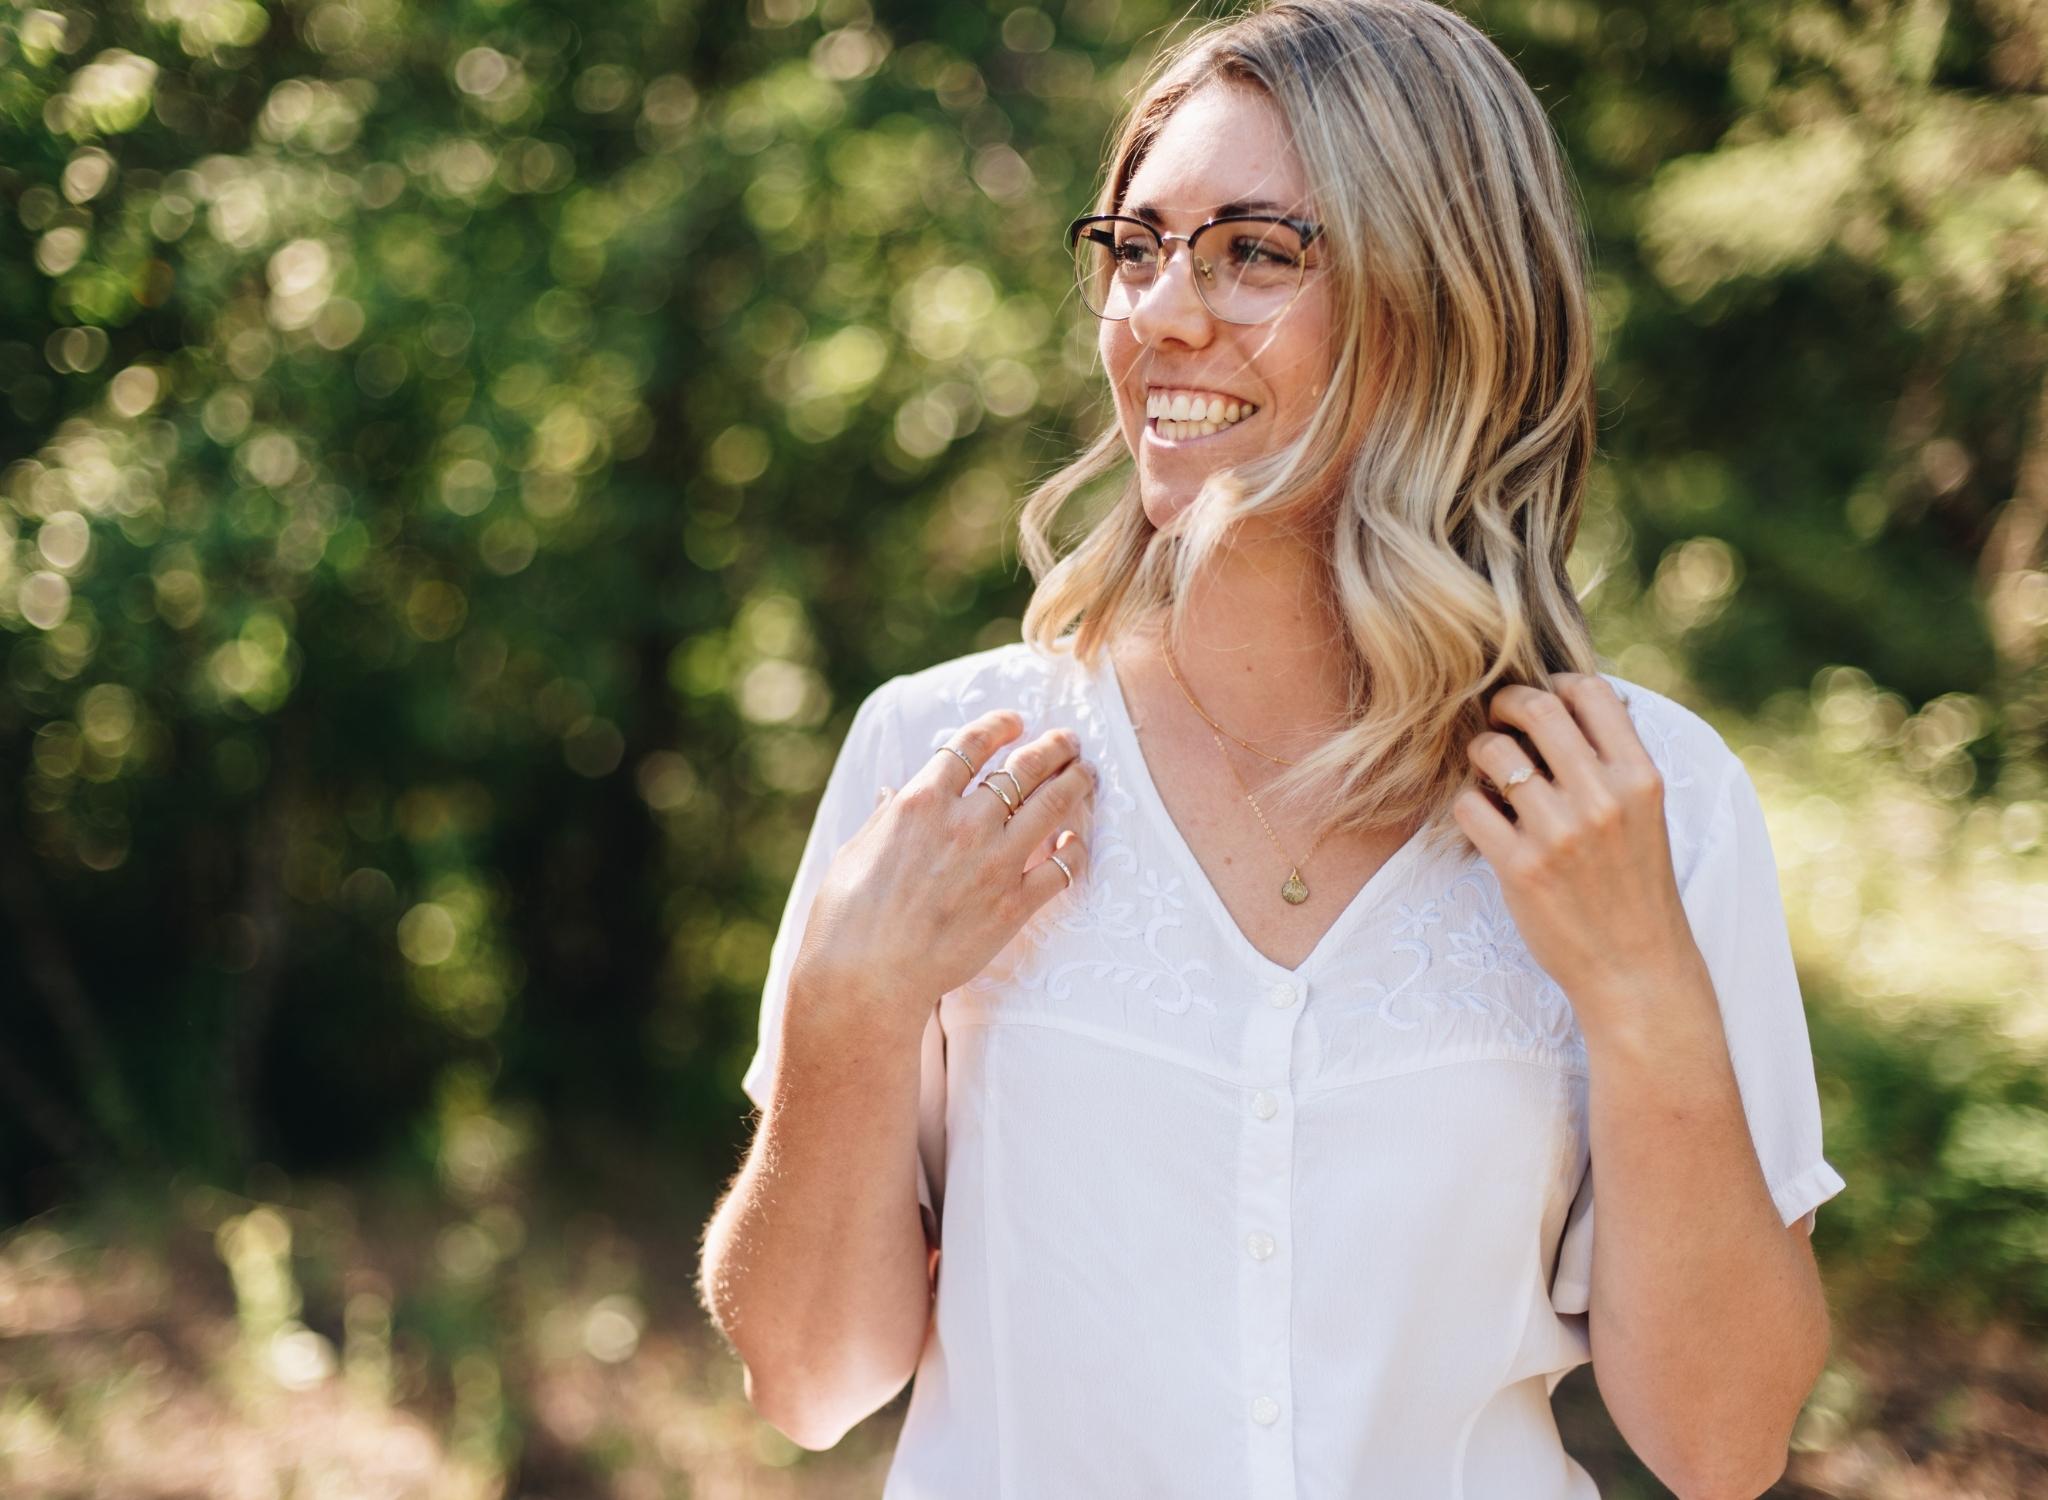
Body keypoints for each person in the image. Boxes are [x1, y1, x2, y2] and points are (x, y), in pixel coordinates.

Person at [697, 1, 1845, 1494]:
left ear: (1445, 300)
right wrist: (849, 1022)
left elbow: (1723, 1444)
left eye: (1255, 251)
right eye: (1137, 245)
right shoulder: (942, 758)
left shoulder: (1652, 806)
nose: (1164, 312)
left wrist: (1641, 990)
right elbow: (805, 1379)